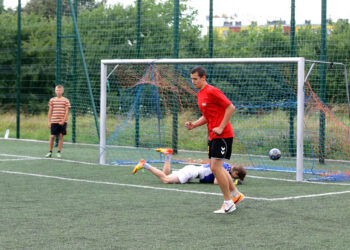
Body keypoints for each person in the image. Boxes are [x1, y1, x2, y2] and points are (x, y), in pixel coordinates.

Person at [185, 66, 241, 214]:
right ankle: (235, 195)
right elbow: (207, 116)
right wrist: (194, 124)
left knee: (215, 167)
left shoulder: (212, 91)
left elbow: (230, 107)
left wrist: (221, 127)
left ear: (203, 78)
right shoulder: (200, 95)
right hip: (213, 135)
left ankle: (228, 203)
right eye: (192, 79)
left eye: (195, 79)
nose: (193, 82)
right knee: (216, 167)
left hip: (223, 135)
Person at [132, 148, 246, 206]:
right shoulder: (225, 168)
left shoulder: (225, 166)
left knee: (165, 175)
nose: (235, 178)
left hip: (192, 171)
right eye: (237, 177)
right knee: (166, 180)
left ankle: (168, 155)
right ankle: (144, 164)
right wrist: (233, 183)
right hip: (191, 172)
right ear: (235, 173)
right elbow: (217, 181)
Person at [45, 85, 71, 158]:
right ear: (55, 91)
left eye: (59, 90)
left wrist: (63, 120)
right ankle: (50, 152)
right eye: (56, 90)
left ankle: (59, 152)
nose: (58, 92)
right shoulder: (52, 100)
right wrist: (49, 121)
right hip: (54, 121)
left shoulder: (66, 100)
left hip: (62, 121)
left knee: (60, 136)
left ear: (62, 91)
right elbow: (50, 111)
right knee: (52, 136)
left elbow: (66, 111)